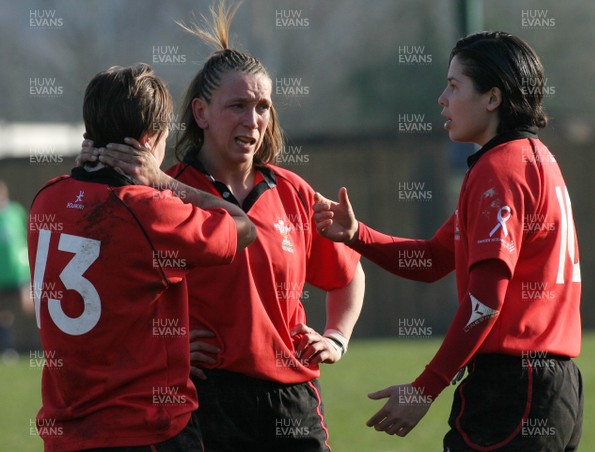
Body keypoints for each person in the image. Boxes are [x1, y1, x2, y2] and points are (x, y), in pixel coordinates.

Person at [82, 2, 365, 451]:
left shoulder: (293, 191)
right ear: (201, 113)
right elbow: (112, 297)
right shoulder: (165, 192)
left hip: (290, 400)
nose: (252, 120)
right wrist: (165, 347)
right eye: (237, 105)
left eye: (262, 107)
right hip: (204, 396)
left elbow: (349, 274)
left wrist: (336, 338)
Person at [314, 31, 583, 451]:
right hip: (553, 391)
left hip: (513, 392)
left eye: (454, 85)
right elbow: (434, 259)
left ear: (493, 98)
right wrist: (356, 235)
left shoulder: (501, 169)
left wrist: (424, 389)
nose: (442, 98)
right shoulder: (533, 159)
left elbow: (485, 301)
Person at [29, 63, 256, 451]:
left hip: (66, 433)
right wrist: (163, 180)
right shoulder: (150, 211)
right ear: (150, 140)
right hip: (145, 431)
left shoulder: (47, 198)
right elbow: (243, 226)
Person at [0, 180, 31, 358]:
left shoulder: (15, 211)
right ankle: (9, 349)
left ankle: (46, 345)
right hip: (1, 273)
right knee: (4, 313)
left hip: (19, 271)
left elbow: (27, 234)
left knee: (30, 307)